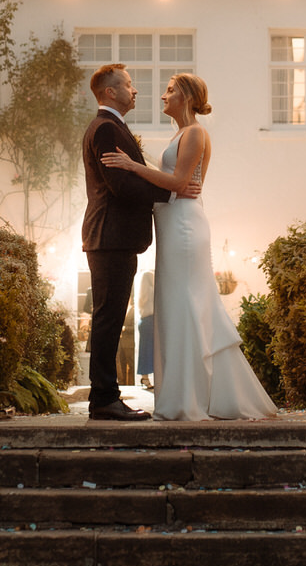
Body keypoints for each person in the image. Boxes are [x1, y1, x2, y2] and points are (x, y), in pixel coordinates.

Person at [102, 72, 277, 421]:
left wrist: (131, 166)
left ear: (186, 97)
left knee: (187, 304)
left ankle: (191, 398)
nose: (162, 96)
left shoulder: (196, 132)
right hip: (172, 225)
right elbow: (173, 181)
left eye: (169, 91)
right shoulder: (180, 134)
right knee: (175, 306)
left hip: (184, 226)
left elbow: (180, 183)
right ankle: (186, 394)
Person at [80, 63, 194, 422]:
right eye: (129, 85)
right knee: (108, 319)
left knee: (110, 317)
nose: (136, 91)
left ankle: (105, 397)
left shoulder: (111, 127)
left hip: (114, 238)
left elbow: (128, 176)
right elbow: (122, 185)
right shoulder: (105, 128)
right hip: (109, 236)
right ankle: (104, 399)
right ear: (110, 92)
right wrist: (170, 193)